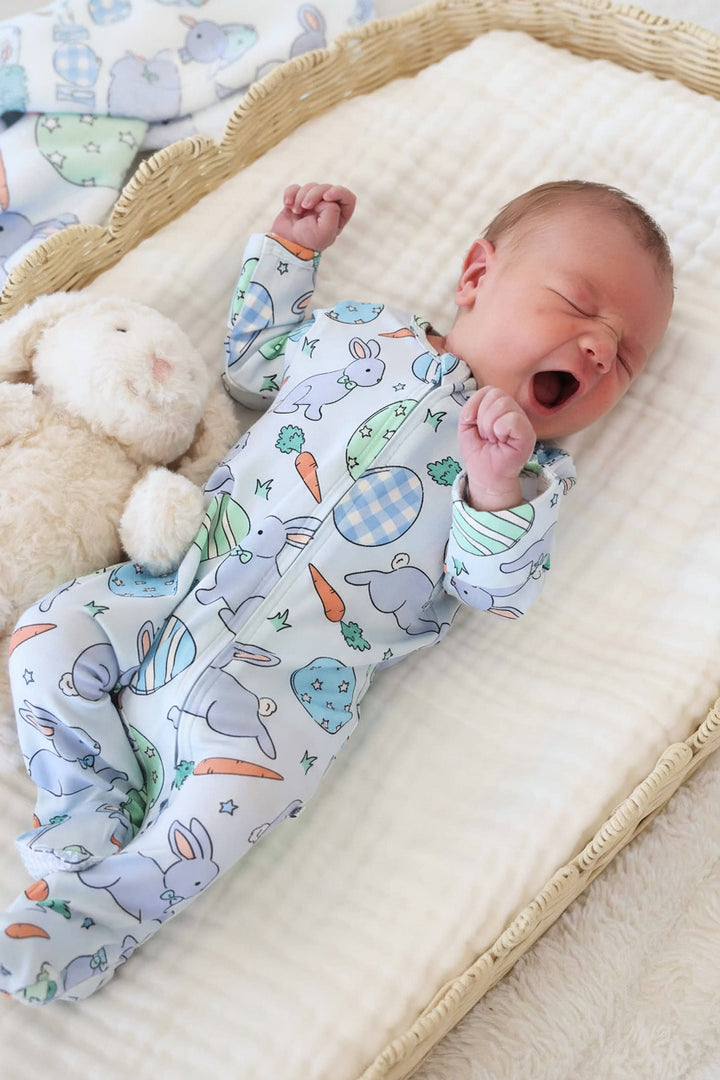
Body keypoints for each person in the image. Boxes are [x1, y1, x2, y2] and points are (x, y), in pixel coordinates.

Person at [0, 179, 673, 1004]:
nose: (601, 349)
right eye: (577, 304)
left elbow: (492, 588)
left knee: (232, 808)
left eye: (627, 358)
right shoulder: (364, 333)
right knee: (49, 635)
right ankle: (82, 807)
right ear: (476, 277)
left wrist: (494, 489)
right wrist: (290, 254)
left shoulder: (531, 478)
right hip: (174, 591)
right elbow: (253, 367)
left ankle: (90, 921)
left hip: (281, 697)